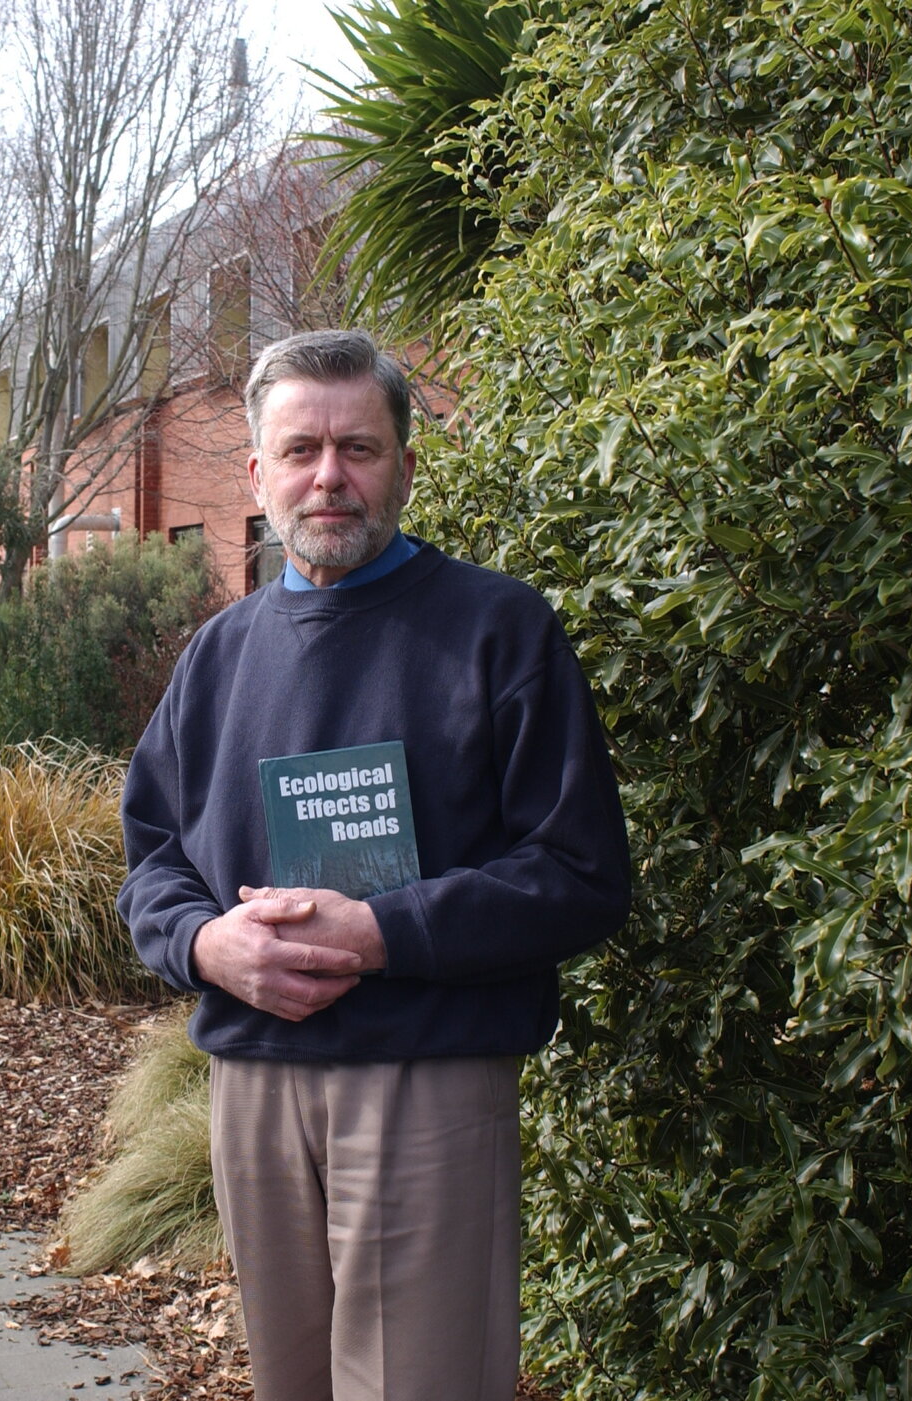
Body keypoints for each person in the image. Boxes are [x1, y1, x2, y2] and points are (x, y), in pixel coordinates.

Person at [117, 329, 630, 1401]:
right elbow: (152, 858)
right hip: (255, 1081)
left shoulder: (498, 632)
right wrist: (205, 944)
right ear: (256, 472)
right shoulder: (219, 655)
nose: (328, 477)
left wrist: (383, 930)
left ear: (402, 460)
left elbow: (579, 872)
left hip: (426, 1077)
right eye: (300, 450)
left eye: (357, 447)